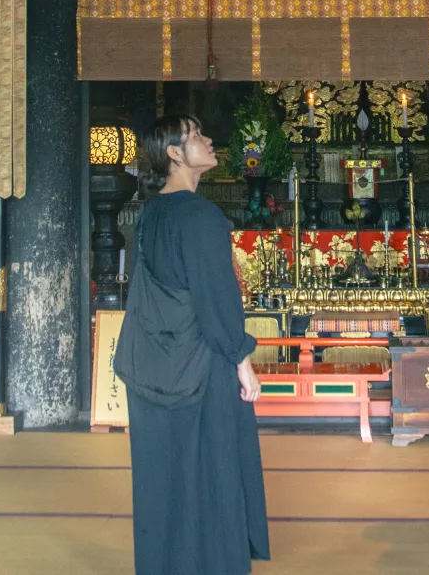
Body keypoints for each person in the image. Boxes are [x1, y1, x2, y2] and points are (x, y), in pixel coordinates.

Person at [123, 115, 270, 574]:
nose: (208, 139)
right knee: (210, 466)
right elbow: (216, 299)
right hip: (200, 363)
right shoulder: (202, 216)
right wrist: (242, 360)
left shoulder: (149, 213)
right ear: (173, 153)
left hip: (150, 362)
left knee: (162, 473)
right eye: (195, 136)